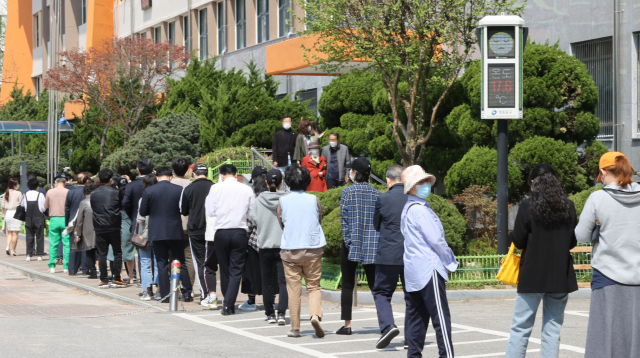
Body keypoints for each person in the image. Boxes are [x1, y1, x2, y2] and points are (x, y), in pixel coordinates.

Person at [504, 164, 578, 357]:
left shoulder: (527, 205)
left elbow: (519, 241)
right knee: (552, 330)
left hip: (532, 276)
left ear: (532, 182)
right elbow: (571, 241)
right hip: (560, 276)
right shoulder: (568, 206)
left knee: (520, 329)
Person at [574, 152, 640, 358]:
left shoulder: (598, 198)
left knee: (605, 333)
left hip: (608, 273)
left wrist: (598, 231)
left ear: (602, 172)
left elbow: (581, 236)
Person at [401, 165, 457, 358]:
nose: (426, 185)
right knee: (441, 318)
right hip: (429, 268)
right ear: (411, 187)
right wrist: (450, 259)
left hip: (413, 271)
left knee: (416, 319)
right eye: (421, 182)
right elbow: (436, 240)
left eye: (426, 181)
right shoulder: (421, 211)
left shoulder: (408, 209)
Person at [277, 164, 325, 338]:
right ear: (307, 181)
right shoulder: (314, 199)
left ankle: (296, 328)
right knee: (313, 286)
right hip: (313, 248)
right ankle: (314, 315)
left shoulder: (282, 201)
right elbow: (319, 218)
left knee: (293, 289)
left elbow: (281, 224)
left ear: (288, 182)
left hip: (290, 250)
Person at [337, 157, 381, 335]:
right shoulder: (377, 194)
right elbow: (379, 222)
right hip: (372, 245)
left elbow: (344, 221)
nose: (350, 172)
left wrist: (349, 242)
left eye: (351, 170)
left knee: (347, 284)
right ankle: (385, 323)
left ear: (356, 173)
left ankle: (347, 326)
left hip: (352, 243)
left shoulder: (347, 193)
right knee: (375, 286)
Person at [205, 164, 255, 315]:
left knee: (225, 269)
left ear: (221, 174)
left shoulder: (215, 188)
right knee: (236, 270)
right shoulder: (246, 189)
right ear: (236, 174)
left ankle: (227, 303)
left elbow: (211, 211)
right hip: (239, 231)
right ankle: (229, 304)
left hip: (221, 232)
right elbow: (252, 212)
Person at [139, 166, 193, 302]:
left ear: (157, 177)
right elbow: (184, 210)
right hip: (175, 230)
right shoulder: (179, 190)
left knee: (161, 263)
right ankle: (187, 292)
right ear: (170, 177)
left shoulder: (149, 190)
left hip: (156, 231)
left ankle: (165, 295)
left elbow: (143, 211)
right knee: (180, 261)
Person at [371, 165, 409, 349]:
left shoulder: (382, 199)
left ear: (388, 180)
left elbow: (377, 225)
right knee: (412, 296)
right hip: (411, 254)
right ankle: (411, 337)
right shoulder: (414, 198)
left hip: (388, 254)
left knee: (382, 293)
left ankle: (388, 326)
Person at [252, 169, 289, 325]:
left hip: (265, 245)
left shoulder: (259, 200)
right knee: (283, 282)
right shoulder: (287, 199)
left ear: (266, 182)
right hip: (283, 246)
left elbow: (254, 220)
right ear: (282, 182)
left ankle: (270, 314)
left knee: (267, 281)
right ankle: (281, 313)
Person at [181, 163, 215, 306]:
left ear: (194, 174)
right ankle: (214, 293)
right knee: (212, 263)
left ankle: (205, 294)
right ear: (207, 173)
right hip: (213, 229)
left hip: (195, 230)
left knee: (200, 262)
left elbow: (183, 210)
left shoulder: (188, 188)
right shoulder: (215, 187)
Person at [91, 168, 126, 288]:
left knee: (102, 254)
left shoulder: (93, 193)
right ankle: (116, 278)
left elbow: (93, 208)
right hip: (114, 225)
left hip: (99, 226)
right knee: (117, 252)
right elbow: (121, 206)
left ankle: (103, 280)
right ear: (111, 179)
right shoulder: (116, 192)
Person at [171, 157, 196, 290]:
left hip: (173, 226)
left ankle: (175, 286)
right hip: (189, 225)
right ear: (187, 170)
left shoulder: (170, 184)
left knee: (173, 257)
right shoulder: (191, 184)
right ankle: (189, 287)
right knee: (189, 258)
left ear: (173, 170)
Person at [137, 174, 160, 301]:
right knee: (158, 263)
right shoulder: (160, 197)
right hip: (158, 234)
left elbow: (140, 219)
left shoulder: (142, 199)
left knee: (145, 263)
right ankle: (159, 290)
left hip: (144, 235)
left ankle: (146, 291)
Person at [65, 172, 91, 275]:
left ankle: (72, 269)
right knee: (85, 245)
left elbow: (67, 208)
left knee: (74, 246)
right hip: (86, 221)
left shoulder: (71, 192)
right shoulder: (88, 193)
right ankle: (85, 269)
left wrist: (67, 222)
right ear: (86, 180)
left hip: (73, 221)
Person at [45, 173, 71, 273]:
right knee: (67, 244)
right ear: (65, 182)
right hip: (66, 220)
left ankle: (52, 266)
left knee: (53, 243)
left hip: (54, 219)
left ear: (55, 182)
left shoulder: (50, 192)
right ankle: (66, 266)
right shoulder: (68, 192)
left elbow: (46, 206)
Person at [122, 157, 154, 236]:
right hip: (156, 223)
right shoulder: (157, 184)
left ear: (137, 169)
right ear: (152, 169)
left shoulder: (131, 185)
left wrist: (132, 215)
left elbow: (125, 203)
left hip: (138, 222)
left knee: (140, 246)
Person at [74, 182, 98, 279]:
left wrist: (78, 233)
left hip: (87, 230)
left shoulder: (83, 203)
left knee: (89, 251)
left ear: (85, 192)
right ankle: (103, 271)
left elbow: (79, 220)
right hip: (100, 229)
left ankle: (93, 272)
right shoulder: (99, 200)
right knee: (100, 252)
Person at [23, 178, 46, 261]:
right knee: (40, 236)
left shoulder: (25, 194)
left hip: (28, 217)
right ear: (37, 186)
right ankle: (39, 255)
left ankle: (28, 255)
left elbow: (24, 207)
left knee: (29, 236)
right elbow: (43, 208)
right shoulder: (40, 195)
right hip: (38, 217)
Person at [2, 178, 23, 257]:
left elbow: (3, 205)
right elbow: (21, 203)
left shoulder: (6, 193)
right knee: (15, 233)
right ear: (14, 185)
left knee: (10, 233)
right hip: (16, 213)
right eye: (17, 184)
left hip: (8, 213)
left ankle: (7, 247)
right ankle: (13, 250)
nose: (18, 185)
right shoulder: (18, 193)